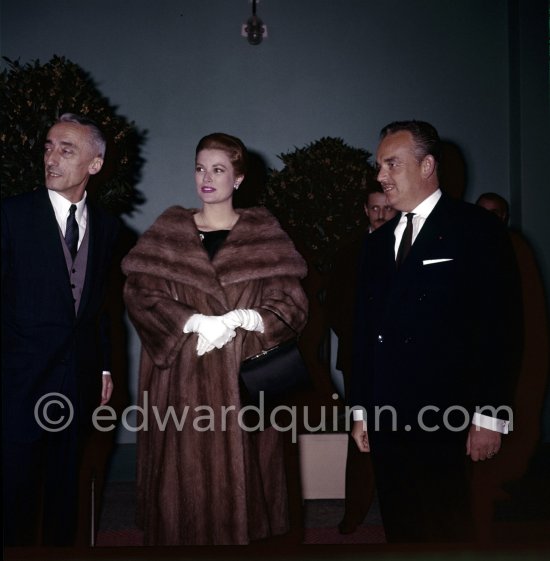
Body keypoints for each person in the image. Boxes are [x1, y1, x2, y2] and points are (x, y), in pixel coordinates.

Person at [121, 132, 308, 545]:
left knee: (247, 502)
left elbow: (292, 305)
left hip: (244, 388)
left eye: (219, 169)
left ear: (238, 178)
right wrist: (191, 322)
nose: (207, 178)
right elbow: (139, 294)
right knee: (179, 502)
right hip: (178, 390)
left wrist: (248, 317)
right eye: (201, 168)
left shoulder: (265, 237)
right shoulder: (168, 233)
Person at [350, 120, 521, 542]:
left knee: (448, 525)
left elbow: (500, 325)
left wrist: (490, 414)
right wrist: (360, 409)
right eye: (379, 165)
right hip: (387, 413)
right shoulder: (376, 243)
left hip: (449, 414)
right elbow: (363, 332)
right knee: (400, 523)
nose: (380, 176)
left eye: (392, 164)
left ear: (427, 165)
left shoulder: (476, 229)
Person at [2, 113, 120, 546]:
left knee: (64, 501)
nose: (51, 158)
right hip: (16, 386)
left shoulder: (107, 227)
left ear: (94, 164)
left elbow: (103, 306)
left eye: (66, 150)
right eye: (48, 147)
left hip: (77, 383)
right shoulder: (11, 215)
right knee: (14, 505)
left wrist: (105, 367)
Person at [326, 186, 396, 534]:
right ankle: (354, 512)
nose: (381, 215)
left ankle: (400, 513)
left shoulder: (409, 249)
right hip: (359, 358)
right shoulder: (348, 254)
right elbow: (336, 309)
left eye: (387, 208)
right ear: (365, 211)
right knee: (360, 436)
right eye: (374, 209)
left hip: (402, 361)